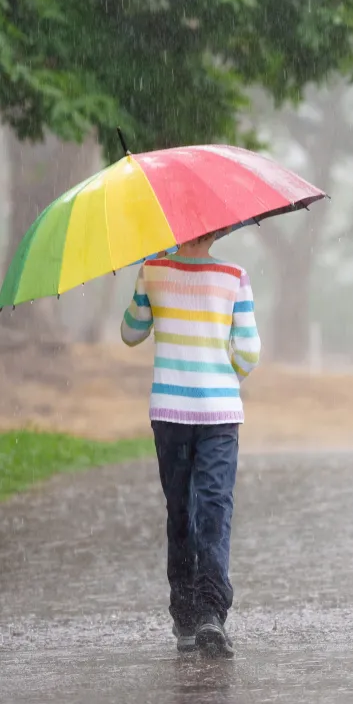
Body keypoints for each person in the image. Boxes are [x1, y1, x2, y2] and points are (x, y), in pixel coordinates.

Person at [120, 229, 260, 659]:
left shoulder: (153, 270)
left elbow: (130, 333)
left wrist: (145, 283)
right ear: (219, 228)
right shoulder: (234, 276)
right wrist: (223, 375)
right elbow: (250, 352)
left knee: (180, 509)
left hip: (170, 414)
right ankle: (210, 613)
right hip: (219, 414)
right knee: (214, 507)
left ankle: (185, 614)